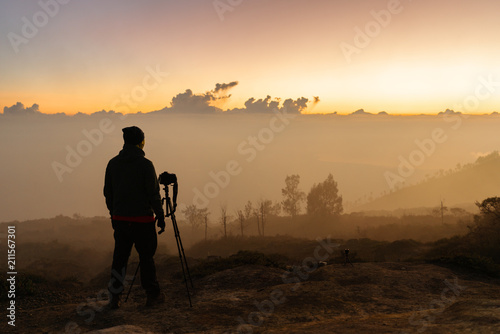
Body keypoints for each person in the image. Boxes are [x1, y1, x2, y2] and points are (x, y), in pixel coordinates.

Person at [103, 126, 166, 309]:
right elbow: (153, 193)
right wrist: (160, 215)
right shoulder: (146, 165)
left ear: (125, 142)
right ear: (141, 142)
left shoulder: (113, 163)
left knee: (120, 258)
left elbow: (108, 193)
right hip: (143, 221)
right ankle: (152, 295)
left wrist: (113, 214)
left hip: (120, 220)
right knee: (146, 258)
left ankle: (114, 298)